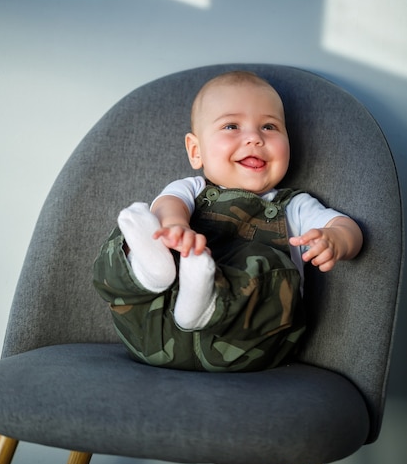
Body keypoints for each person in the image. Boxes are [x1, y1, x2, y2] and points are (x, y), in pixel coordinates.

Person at [93, 71, 363, 372]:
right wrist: (175, 230)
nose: (254, 137)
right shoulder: (192, 189)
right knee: (134, 234)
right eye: (231, 126)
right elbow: (168, 205)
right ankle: (148, 271)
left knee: (266, 266)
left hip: (247, 346)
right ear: (196, 151)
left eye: (269, 126)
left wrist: (336, 240)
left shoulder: (294, 206)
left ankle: (208, 299)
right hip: (154, 332)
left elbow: (348, 228)